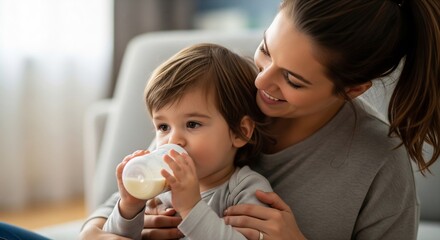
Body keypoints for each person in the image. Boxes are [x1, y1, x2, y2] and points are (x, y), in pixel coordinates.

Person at [81, 0, 440, 239]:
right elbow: (109, 210)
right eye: (266, 50)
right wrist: (109, 229)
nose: (260, 81)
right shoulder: (220, 90)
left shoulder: (377, 160)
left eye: (293, 80)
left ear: (353, 89)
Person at [101, 43, 273, 240]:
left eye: (192, 124)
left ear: (240, 132)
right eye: (163, 127)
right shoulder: (158, 186)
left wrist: (191, 208)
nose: (173, 140)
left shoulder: (245, 190)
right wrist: (128, 207)